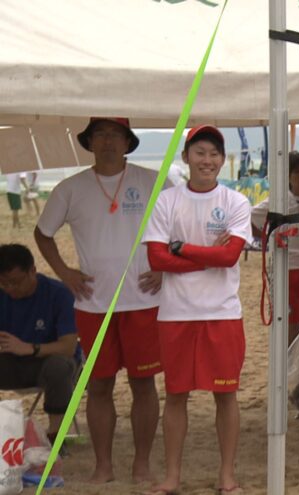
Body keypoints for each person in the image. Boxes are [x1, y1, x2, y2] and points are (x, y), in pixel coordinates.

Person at [34, 117, 166, 484]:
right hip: (93, 303)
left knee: (144, 384)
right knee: (100, 385)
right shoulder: (70, 188)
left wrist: (164, 269)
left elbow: (180, 227)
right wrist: (65, 273)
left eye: (115, 135)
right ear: (89, 142)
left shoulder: (153, 181)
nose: (107, 141)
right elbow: (43, 234)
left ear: (128, 141)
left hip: (143, 301)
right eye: (100, 135)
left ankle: (142, 464)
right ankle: (103, 465)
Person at [143, 125, 251, 495]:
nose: (207, 160)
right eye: (200, 152)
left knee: (226, 395)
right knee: (175, 395)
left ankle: (227, 477)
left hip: (221, 314)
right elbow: (156, 257)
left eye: (214, 154)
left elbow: (230, 255)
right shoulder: (166, 201)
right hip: (175, 314)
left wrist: (181, 248)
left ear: (222, 160)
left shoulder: (235, 202)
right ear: (186, 156)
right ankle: (172, 476)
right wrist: (206, 258)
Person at [0, 244, 78, 445]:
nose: (9, 288)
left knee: (59, 366)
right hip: (10, 362)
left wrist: (30, 348)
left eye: (15, 282)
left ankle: (55, 437)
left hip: (47, 363)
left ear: (32, 271)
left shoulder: (58, 294)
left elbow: (68, 347)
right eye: (3, 283)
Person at [251, 151, 299, 343]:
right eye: (298, 172)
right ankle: (289, 367)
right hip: (289, 267)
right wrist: (268, 237)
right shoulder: (278, 201)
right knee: (290, 323)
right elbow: (251, 218)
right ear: (288, 176)